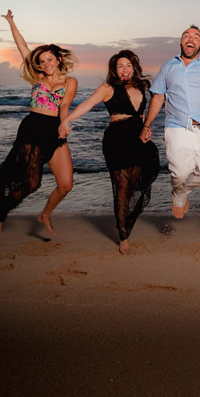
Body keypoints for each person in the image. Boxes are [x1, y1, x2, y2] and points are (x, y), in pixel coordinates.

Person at [59, 50, 160, 254]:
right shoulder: (107, 88)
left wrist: (147, 127)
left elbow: (146, 113)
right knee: (122, 189)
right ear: (114, 69)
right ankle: (123, 234)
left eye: (129, 66)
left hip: (139, 140)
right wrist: (67, 120)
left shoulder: (142, 86)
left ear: (134, 68)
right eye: (120, 66)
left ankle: (124, 220)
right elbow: (87, 104)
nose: (125, 70)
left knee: (141, 179)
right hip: (117, 141)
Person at [0, 10, 78, 242]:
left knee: (66, 184)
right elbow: (22, 46)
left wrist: (65, 122)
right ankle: (0, 216)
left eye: (49, 59)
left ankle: (45, 215)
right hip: (32, 128)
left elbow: (65, 103)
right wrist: (11, 22)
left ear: (58, 59)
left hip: (55, 129)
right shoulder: (37, 78)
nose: (45, 63)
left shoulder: (70, 81)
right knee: (31, 182)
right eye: (41, 61)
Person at [141, 25, 200, 218]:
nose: (190, 39)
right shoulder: (168, 67)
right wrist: (147, 125)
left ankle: (182, 192)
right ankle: (178, 194)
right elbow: (158, 97)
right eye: (186, 35)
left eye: (195, 36)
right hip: (177, 127)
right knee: (180, 173)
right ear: (181, 41)